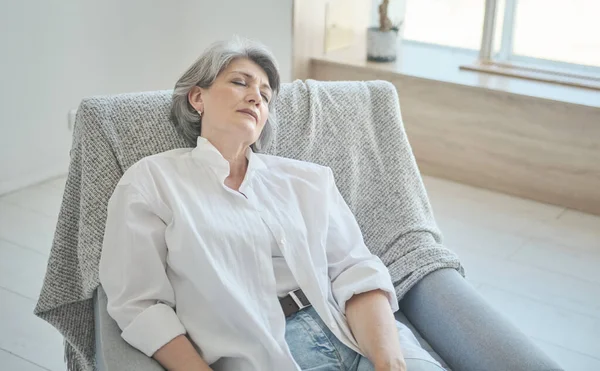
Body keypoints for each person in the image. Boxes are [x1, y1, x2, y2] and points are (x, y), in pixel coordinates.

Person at [99, 37, 444, 371]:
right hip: (265, 354)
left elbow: (354, 270)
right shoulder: (152, 180)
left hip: (356, 333)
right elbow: (139, 303)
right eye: (240, 83)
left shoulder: (308, 180)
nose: (255, 97)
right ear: (196, 97)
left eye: (264, 96)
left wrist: (389, 362)